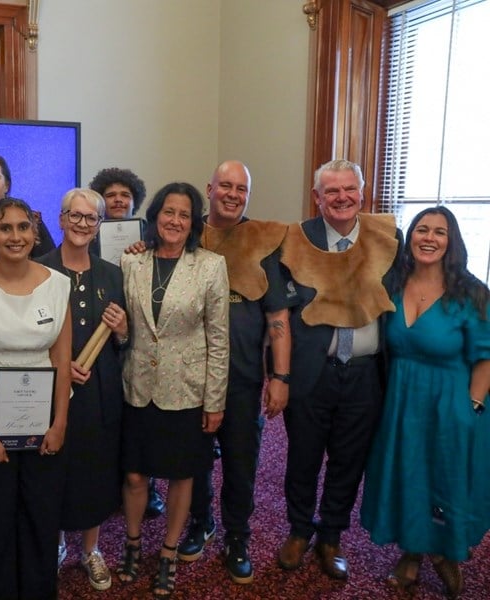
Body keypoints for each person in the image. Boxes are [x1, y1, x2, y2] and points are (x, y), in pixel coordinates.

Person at [277, 159, 403, 581]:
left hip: (366, 373)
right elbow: (280, 310)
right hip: (313, 370)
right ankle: (299, 531)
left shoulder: (389, 239)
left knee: (349, 461)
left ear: (362, 193)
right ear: (317, 197)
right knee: (303, 458)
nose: (342, 197)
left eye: (350, 189)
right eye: (331, 191)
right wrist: (279, 374)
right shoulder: (296, 239)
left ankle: (331, 536)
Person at [360, 207, 490, 598]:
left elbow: (486, 358)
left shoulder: (472, 294)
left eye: (439, 232)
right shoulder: (394, 285)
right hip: (402, 401)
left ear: (452, 242)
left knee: (445, 479)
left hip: (452, 402)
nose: (429, 238)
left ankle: (445, 551)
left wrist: (472, 407)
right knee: (408, 475)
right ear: (411, 236)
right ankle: (412, 552)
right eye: (422, 229)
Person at [175, 161, 292, 584]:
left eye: (241, 189)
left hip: (242, 379)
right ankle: (200, 522)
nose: (233, 194)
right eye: (225, 185)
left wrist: (280, 377)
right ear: (209, 189)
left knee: (241, 465)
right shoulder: (186, 235)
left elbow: (278, 316)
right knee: (194, 460)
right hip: (190, 377)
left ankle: (237, 536)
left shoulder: (263, 242)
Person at [0, 197, 72, 599]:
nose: (15, 236)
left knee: (41, 514)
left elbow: (61, 359)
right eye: (5, 228)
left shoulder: (58, 284)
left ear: (35, 233)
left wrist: (60, 423)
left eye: (23, 227)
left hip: (45, 416)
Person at [117, 182, 229, 598]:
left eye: (184, 214)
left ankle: (167, 552)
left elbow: (219, 339)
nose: (175, 221)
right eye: (168, 212)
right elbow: (122, 328)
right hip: (137, 386)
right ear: (155, 216)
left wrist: (214, 401)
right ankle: (132, 544)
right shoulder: (131, 261)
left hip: (186, 389)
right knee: (134, 474)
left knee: (183, 474)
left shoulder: (211, 266)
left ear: (194, 222)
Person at [37, 189, 128, 591]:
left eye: (91, 218)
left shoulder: (112, 274)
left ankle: (91, 549)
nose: (82, 224)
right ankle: (56, 543)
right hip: (52, 390)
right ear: (61, 220)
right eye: (75, 216)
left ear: (99, 226)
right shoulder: (39, 270)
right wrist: (58, 367)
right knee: (53, 465)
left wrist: (122, 329)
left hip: (99, 389)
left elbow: (126, 341)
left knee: (95, 466)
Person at [88, 167, 165, 516]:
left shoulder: (151, 238)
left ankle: (148, 485)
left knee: (142, 416)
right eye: (111, 195)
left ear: (135, 201)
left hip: (143, 337)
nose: (118, 200)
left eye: (125, 195)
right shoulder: (87, 233)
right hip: (98, 333)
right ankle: (109, 484)